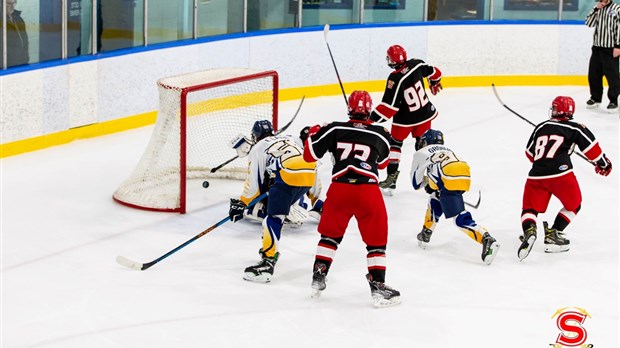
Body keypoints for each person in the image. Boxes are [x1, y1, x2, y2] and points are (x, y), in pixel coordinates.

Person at [303, 90, 401, 308]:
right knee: (376, 243)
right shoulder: (381, 132)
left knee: (329, 236)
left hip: (340, 189)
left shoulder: (334, 128)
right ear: (369, 110)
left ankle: (318, 277)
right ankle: (378, 287)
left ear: (349, 109)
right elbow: (383, 163)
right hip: (368, 191)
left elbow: (309, 156)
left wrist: (314, 134)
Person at [517, 96, 612, 261]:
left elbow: (530, 154)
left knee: (529, 210)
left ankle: (530, 231)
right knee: (574, 205)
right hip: (562, 175)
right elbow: (592, 148)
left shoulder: (541, 127)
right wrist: (603, 164)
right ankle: (553, 233)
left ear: (554, 110)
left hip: (536, 175)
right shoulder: (575, 128)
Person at [228, 120, 316, 283]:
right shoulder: (290, 138)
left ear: (256, 136)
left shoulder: (257, 148)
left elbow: (254, 181)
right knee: (294, 184)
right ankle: (318, 206)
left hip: (286, 178)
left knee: (273, 218)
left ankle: (267, 262)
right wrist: (315, 197)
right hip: (310, 174)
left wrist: (243, 203)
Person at [410, 129, 499, 265]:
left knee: (459, 219)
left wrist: (427, 181)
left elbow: (416, 183)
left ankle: (486, 238)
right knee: (436, 196)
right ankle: (426, 231)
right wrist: (432, 184)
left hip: (449, 176)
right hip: (462, 171)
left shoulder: (421, 153)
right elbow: (439, 174)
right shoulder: (448, 150)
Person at [370, 44, 443, 195]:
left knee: (395, 145)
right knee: (425, 146)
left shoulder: (395, 78)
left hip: (405, 120)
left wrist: (370, 118)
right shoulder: (416, 63)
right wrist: (434, 82)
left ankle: (391, 176)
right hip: (424, 115)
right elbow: (435, 72)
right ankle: (435, 180)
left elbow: (389, 107)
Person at [585, 0, 620, 112]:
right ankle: (595, 98)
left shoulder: (617, 9)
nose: (601, 1)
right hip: (597, 48)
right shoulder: (597, 8)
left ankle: (613, 100)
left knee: (612, 76)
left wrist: (618, 46)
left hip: (610, 48)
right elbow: (588, 23)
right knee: (594, 74)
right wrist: (595, 9)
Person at [6, 0, 29, 67]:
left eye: (14, 3)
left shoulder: (19, 19)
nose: (12, 6)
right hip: (6, 67)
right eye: (9, 3)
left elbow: (25, 42)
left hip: (21, 64)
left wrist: (26, 61)